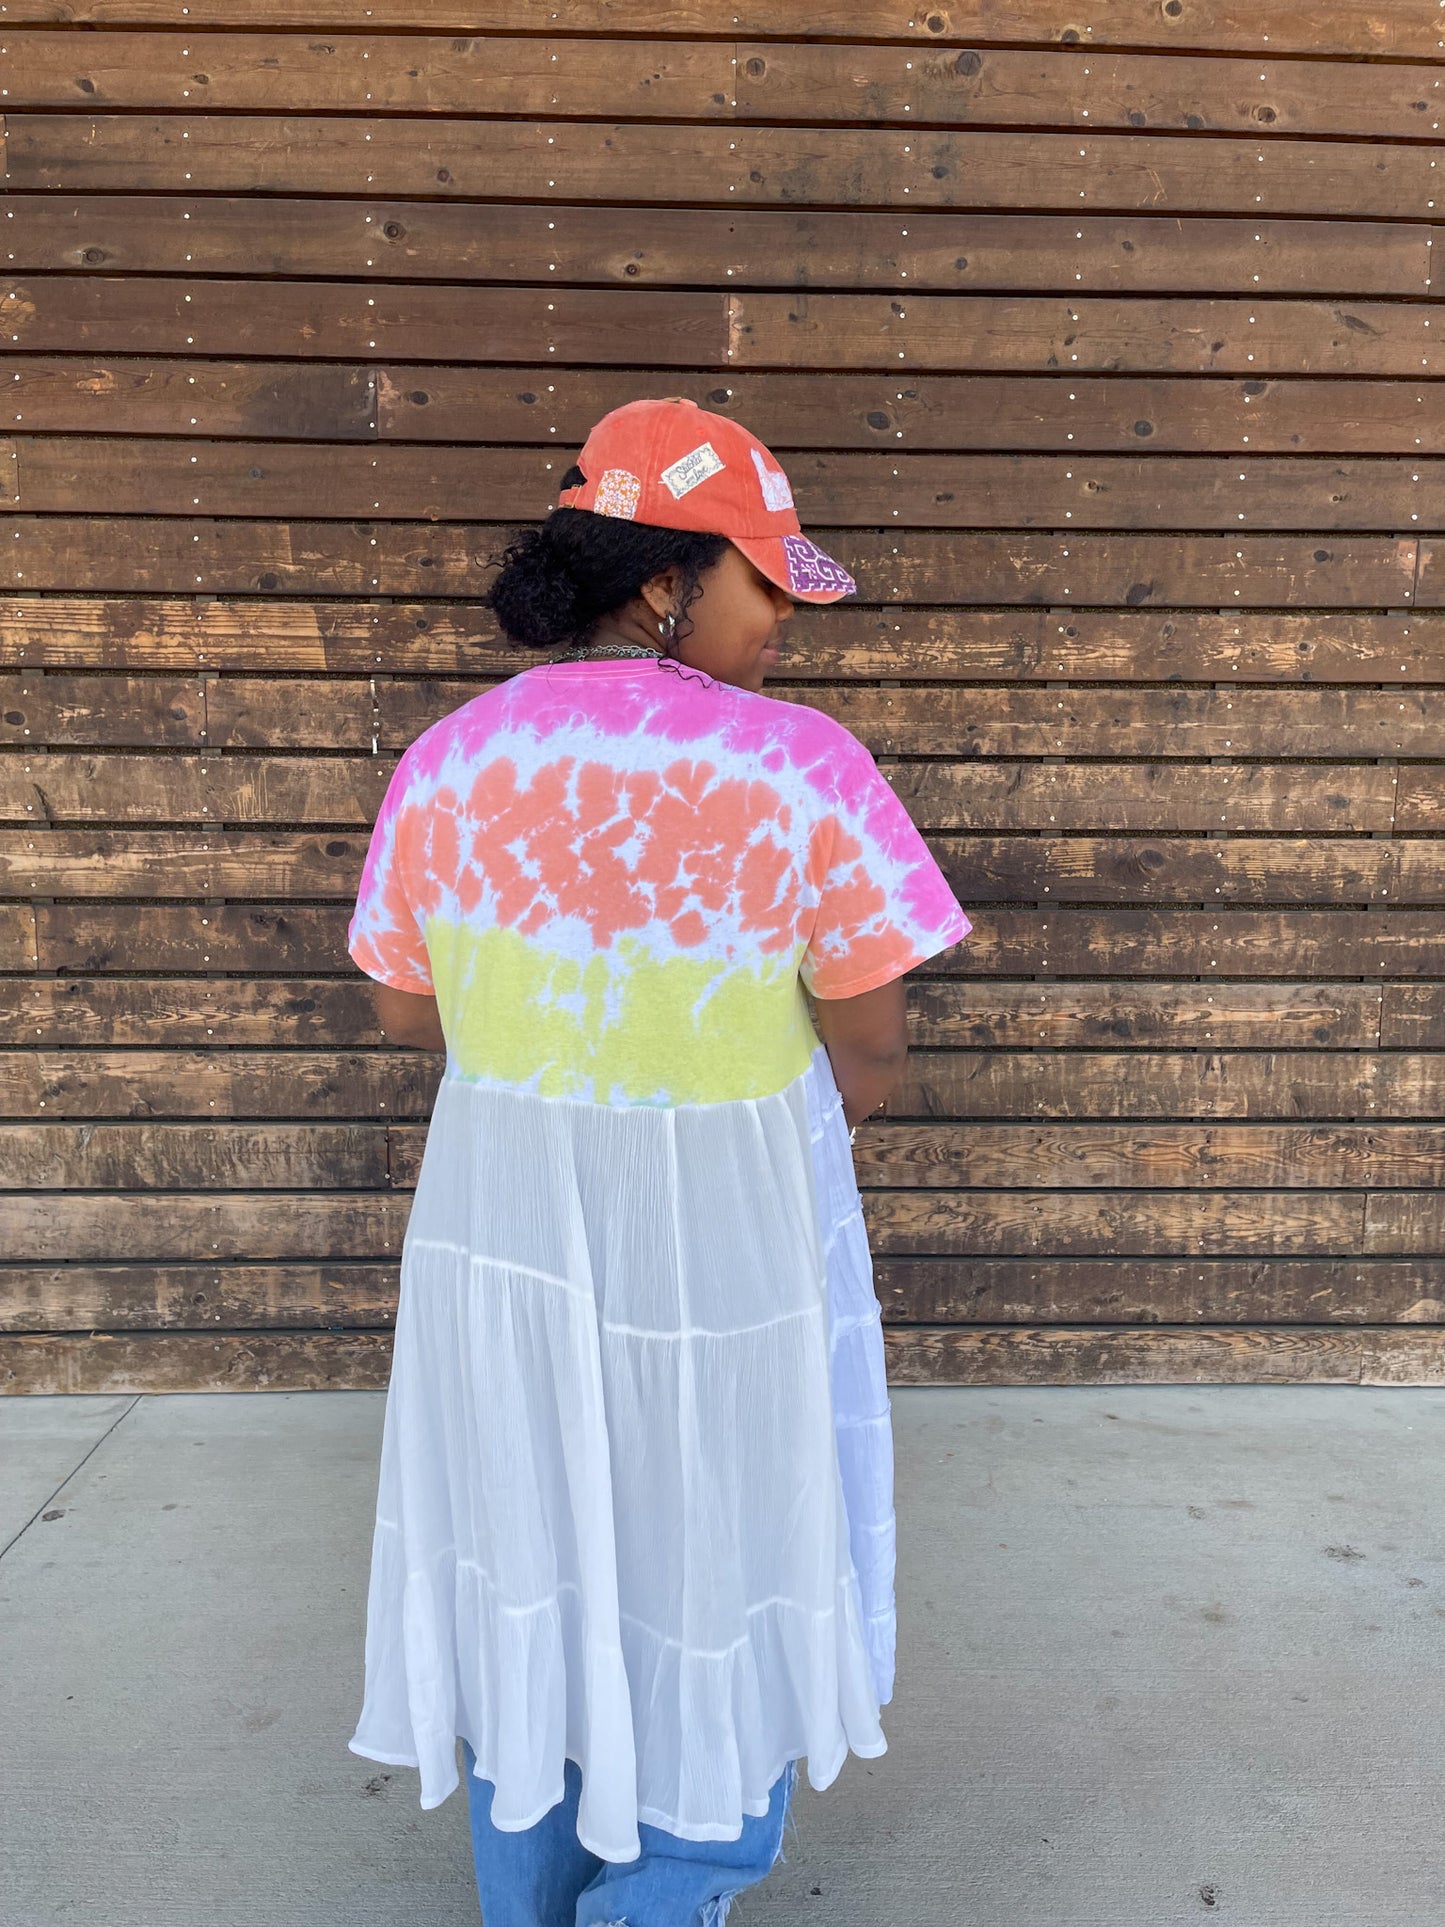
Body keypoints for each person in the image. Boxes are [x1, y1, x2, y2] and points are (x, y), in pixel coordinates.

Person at [344, 396, 973, 1927]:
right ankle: (667, 1887)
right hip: (724, 1234)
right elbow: (869, 1038)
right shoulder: (803, 767)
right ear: (662, 579)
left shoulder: (450, 757)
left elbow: (402, 1002)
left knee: (527, 1526)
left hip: (502, 1221)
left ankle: (535, 1891)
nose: (782, 621)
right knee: (721, 1528)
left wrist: (553, 1068)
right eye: (764, 582)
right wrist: (740, 1135)